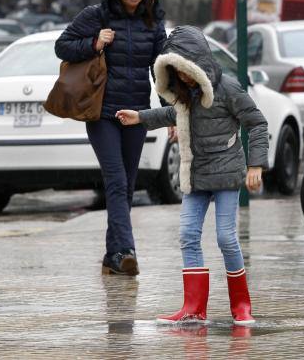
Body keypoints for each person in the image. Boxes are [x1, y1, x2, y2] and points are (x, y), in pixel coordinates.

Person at [115, 25, 268, 326]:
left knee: (226, 238)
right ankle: (193, 308)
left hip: (226, 173)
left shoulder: (228, 89)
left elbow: (257, 123)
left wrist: (255, 166)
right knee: (187, 236)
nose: (183, 77)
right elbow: (174, 115)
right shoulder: (183, 94)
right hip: (195, 175)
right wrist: (140, 118)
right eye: (176, 71)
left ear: (200, 63)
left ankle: (241, 306)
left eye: (186, 70)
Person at [55, 0, 167, 276]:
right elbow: (63, 47)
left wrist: (169, 114)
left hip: (136, 114)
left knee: (127, 185)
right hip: (103, 113)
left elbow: (161, 71)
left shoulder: (153, 23)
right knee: (116, 181)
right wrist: (93, 43)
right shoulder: (97, 16)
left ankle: (112, 257)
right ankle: (127, 251)